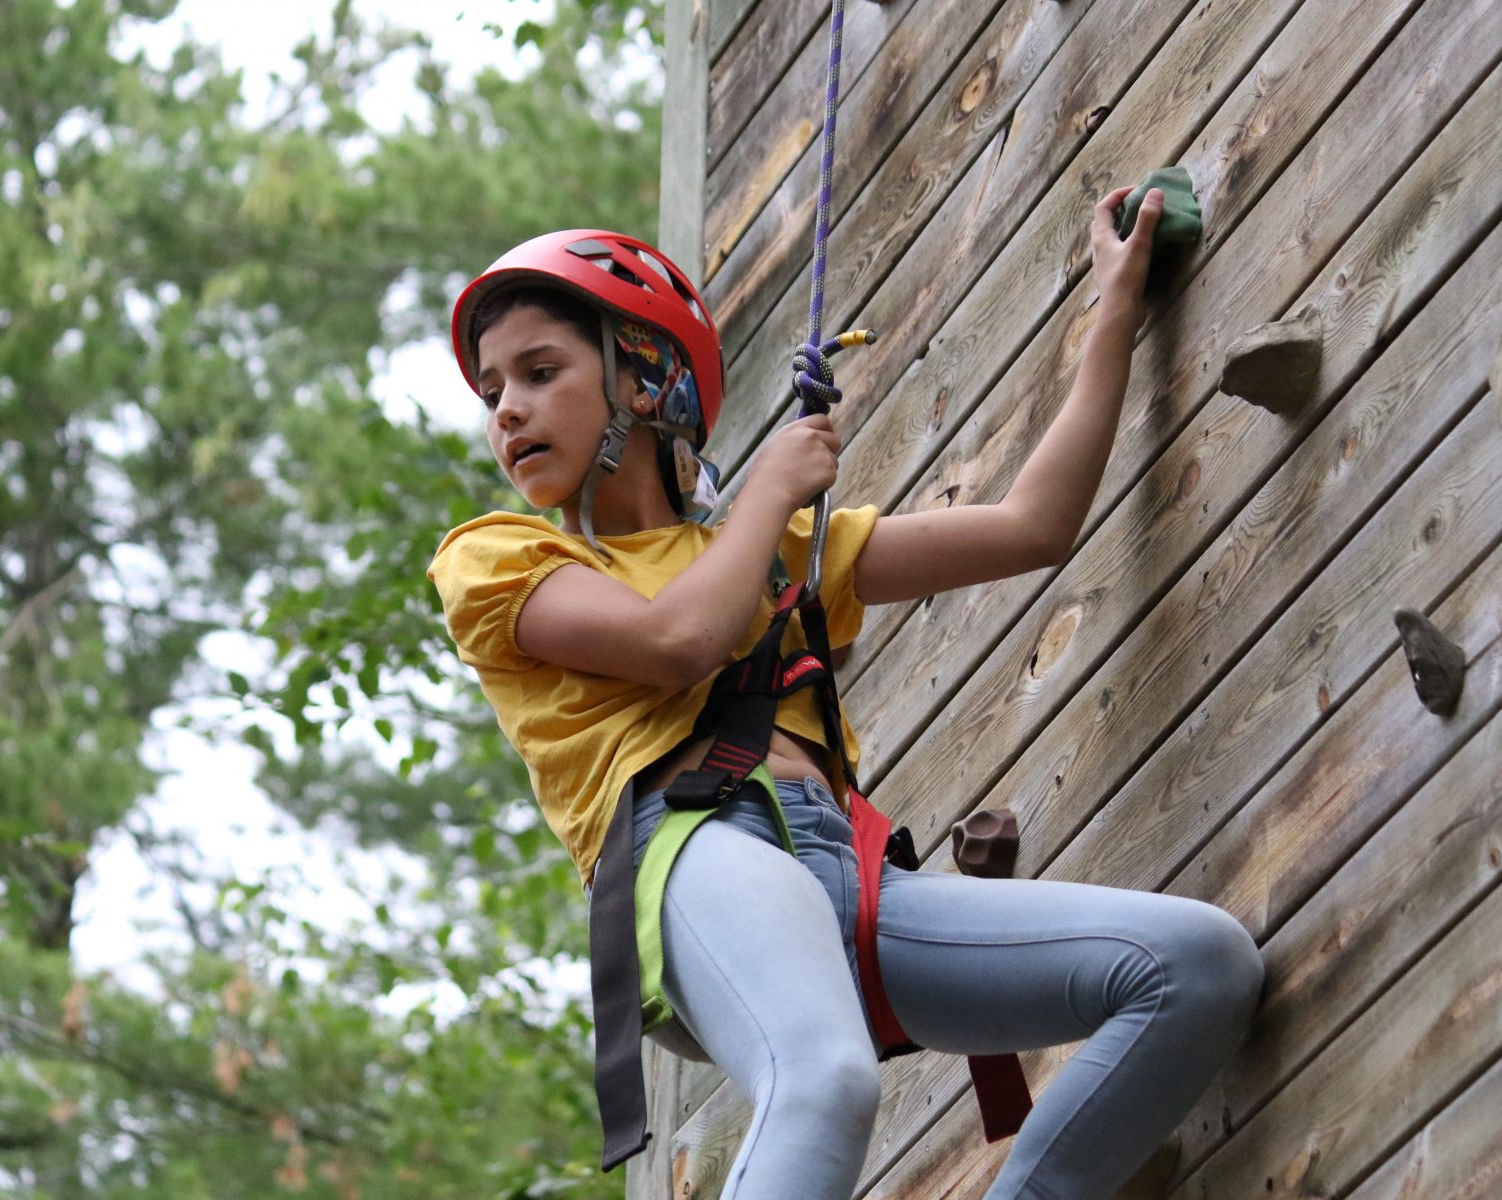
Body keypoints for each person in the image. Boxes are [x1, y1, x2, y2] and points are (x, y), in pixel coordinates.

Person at [427, 186, 1264, 1200]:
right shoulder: (495, 558)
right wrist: (773, 491)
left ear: (644, 380)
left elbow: (1035, 526)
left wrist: (1117, 306)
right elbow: (676, 640)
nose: (505, 407)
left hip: (850, 876)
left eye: (539, 371)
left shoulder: (773, 554)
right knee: (823, 1080)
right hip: (698, 853)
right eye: (491, 391)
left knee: (1196, 964)